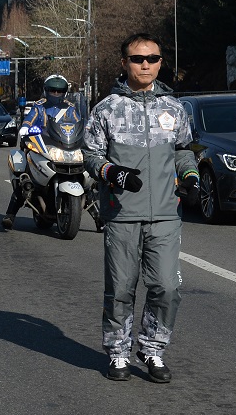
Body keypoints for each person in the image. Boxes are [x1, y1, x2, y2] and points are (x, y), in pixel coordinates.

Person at [83, 32, 198, 385]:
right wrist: (112, 173)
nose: (145, 64)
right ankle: (118, 352)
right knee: (121, 288)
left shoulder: (174, 109)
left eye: (152, 58)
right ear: (124, 63)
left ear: (161, 63)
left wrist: (190, 175)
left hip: (165, 214)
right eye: (137, 58)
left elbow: (183, 150)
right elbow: (91, 155)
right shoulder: (107, 109)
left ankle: (152, 348)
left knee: (167, 287)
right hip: (122, 213)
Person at [2, 74, 101, 231]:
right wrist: (26, 127)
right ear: (46, 91)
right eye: (52, 90)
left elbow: (79, 124)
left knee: (87, 184)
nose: (56, 93)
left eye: (59, 91)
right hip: (43, 144)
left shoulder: (70, 108)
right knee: (25, 177)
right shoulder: (39, 106)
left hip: (65, 145)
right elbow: (30, 119)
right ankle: (10, 215)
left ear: (65, 92)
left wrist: (87, 131)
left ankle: (99, 219)